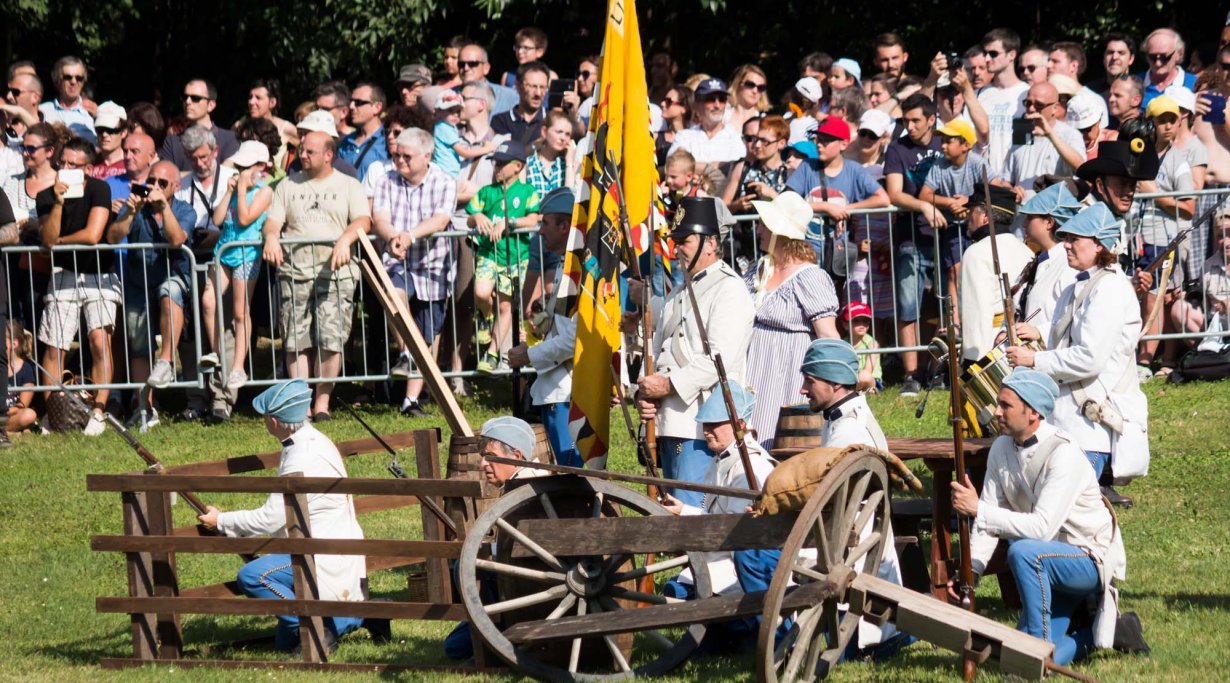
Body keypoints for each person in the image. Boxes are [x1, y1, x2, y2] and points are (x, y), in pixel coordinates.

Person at [951, 368, 1137, 666]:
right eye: (998, 403)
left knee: (1022, 551)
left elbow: (1039, 528)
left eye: (1005, 405)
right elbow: (987, 518)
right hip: (1045, 561)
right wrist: (971, 570)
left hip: (1087, 557)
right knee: (1007, 660)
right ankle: (1104, 633)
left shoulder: (1064, 454)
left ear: (1034, 412)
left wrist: (978, 510)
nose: (996, 412)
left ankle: (1034, 646)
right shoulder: (1000, 447)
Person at [196, 379, 389, 653]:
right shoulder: (313, 440)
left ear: (274, 422)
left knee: (253, 577)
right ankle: (365, 614)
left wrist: (222, 521)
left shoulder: (301, 454)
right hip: (328, 546)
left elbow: (271, 519)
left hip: (321, 552)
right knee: (284, 644)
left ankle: (316, 629)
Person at [1006, 203, 1149, 506]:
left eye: (1075, 240)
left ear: (1099, 245)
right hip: (1066, 418)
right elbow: (1065, 331)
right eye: (1066, 238)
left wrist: (1034, 360)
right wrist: (1034, 333)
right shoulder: (1077, 286)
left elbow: (1089, 358)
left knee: (1066, 509)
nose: (1066, 245)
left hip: (1090, 423)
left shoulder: (1110, 288)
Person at [635, 197, 754, 506]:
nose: (677, 249)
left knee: (693, 518)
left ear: (711, 243)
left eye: (684, 240)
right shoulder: (680, 290)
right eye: (675, 241)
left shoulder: (729, 288)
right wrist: (645, 393)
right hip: (670, 420)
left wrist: (668, 386)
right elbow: (661, 348)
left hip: (701, 425)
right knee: (672, 514)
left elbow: (720, 359)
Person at [796, 337, 908, 655]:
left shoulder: (850, 431)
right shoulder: (840, 420)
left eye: (810, 381)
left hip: (852, 549)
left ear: (834, 382)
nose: (803, 389)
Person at [261, 130, 371, 421]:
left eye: (310, 151)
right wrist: (271, 238)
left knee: (331, 339)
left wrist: (346, 239)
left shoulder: (348, 185)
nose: (303, 155)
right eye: (301, 150)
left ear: (328, 154)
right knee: (296, 341)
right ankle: (301, 403)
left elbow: (363, 219)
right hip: (295, 272)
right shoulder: (287, 185)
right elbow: (273, 222)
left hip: (336, 273)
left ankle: (322, 403)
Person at [370, 128, 457, 417]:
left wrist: (409, 235)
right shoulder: (386, 181)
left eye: (406, 156)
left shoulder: (444, 181)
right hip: (398, 262)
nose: (399, 160)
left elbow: (441, 219)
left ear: (426, 156)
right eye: (396, 154)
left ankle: (411, 401)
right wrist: (394, 236)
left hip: (433, 267)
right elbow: (379, 218)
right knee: (393, 295)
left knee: (427, 338)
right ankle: (406, 353)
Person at [742, 191, 839, 448]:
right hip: (753, 370)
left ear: (779, 232)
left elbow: (828, 335)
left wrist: (837, 383)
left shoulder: (809, 277)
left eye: (764, 224)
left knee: (778, 441)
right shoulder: (758, 269)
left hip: (788, 372)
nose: (759, 229)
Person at [106, 160, 196, 426]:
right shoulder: (135, 208)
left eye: (162, 183)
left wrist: (164, 207)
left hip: (171, 278)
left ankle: (167, 361)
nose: (155, 187)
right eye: (152, 181)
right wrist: (129, 213)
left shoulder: (184, 209)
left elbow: (177, 238)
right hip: (138, 284)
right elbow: (112, 237)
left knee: (170, 291)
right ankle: (145, 407)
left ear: (176, 187)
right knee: (138, 345)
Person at [36, 137, 116, 436]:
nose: (65, 169)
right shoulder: (46, 195)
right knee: (54, 347)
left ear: (89, 168)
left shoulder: (99, 189)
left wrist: (57, 243)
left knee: (99, 341)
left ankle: (98, 411)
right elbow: (46, 239)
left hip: (99, 273)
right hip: (63, 274)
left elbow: (94, 234)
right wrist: (57, 203)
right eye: (62, 163)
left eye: (73, 164)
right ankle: (55, 415)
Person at [507, 188, 580, 466]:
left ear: (564, 226)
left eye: (545, 223)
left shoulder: (578, 269)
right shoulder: (566, 265)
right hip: (557, 387)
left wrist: (528, 356)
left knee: (574, 476)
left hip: (568, 389)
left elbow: (573, 340)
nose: (539, 231)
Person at [884, 94, 945, 396]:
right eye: (905, 120)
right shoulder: (897, 149)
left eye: (915, 120)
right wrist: (923, 206)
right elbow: (894, 194)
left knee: (947, 307)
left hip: (947, 237)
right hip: (910, 237)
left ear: (931, 119)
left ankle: (936, 369)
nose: (909, 126)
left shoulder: (945, 142)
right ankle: (911, 374)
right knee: (909, 308)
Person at [202, 140, 272, 392]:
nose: (241, 171)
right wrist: (230, 191)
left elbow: (244, 219)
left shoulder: (264, 191)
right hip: (225, 251)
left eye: (246, 166)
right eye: (239, 166)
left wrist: (241, 190)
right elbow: (218, 219)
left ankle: (239, 366)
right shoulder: (235, 189)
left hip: (247, 255)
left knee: (241, 313)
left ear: (261, 167)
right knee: (209, 301)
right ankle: (218, 353)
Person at [465, 140, 541, 374]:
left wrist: (510, 222)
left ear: (518, 166)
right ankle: (487, 318)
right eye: (496, 163)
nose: (497, 167)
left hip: (516, 257)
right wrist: (477, 218)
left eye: (502, 163)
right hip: (489, 253)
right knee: (481, 292)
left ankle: (492, 353)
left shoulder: (527, 192)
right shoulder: (487, 192)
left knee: (506, 305)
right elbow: (470, 216)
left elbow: (534, 218)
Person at [1136, 95, 1196, 378]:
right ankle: (1164, 361)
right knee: (1157, 298)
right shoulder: (1143, 156)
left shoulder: (1179, 162)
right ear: (1151, 124)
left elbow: (1189, 207)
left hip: (1168, 239)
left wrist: (1156, 196)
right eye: (1162, 120)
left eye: (1173, 119)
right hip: (1145, 238)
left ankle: (1148, 362)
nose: (1169, 126)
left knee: (1159, 299)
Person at [919, 117, 992, 324]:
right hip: (954, 228)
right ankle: (956, 322)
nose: (942, 145)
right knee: (954, 271)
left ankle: (977, 318)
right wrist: (950, 202)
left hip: (978, 228)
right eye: (942, 140)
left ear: (966, 145)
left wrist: (968, 202)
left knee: (977, 273)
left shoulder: (978, 163)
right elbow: (925, 195)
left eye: (949, 141)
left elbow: (993, 189)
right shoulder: (939, 165)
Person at [957, 187, 1033, 362]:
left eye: (972, 211)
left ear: (985, 217)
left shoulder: (976, 252)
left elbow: (976, 312)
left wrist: (972, 359)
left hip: (988, 347)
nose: (968, 217)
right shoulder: (1025, 249)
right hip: (1019, 345)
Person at [1014, 181, 1083, 339]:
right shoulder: (1037, 261)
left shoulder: (1069, 264)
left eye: (1030, 218)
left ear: (1049, 222)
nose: (1024, 224)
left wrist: (1040, 332)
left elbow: (1074, 315)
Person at [1001, 81, 1087, 202]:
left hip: (1052, 215)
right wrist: (1011, 190)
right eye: (1028, 103)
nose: (1031, 108)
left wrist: (1050, 135)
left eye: (1039, 105)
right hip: (1022, 215)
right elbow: (1006, 180)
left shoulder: (1070, 134)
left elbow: (1080, 166)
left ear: (1055, 108)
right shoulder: (1022, 132)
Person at [977, 29, 1029, 176]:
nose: (987, 59)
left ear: (1012, 55)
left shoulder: (1027, 94)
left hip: (1016, 179)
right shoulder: (979, 95)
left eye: (993, 54)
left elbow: (1025, 144)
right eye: (985, 53)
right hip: (983, 180)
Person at [161, 79, 240, 172]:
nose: (187, 101)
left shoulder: (229, 139)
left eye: (195, 98)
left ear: (211, 105)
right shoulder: (172, 142)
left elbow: (227, 177)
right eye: (184, 97)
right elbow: (166, 178)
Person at [667, 77, 745, 167]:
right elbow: (673, 166)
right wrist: (717, 166)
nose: (717, 105)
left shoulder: (735, 138)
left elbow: (738, 170)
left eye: (722, 99)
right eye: (710, 99)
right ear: (696, 104)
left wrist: (690, 166)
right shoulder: (685, 137)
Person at [723, 114, 789, 213]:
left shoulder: (790, 173)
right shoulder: (743, 168)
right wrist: (736, 206)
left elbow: (795, 212)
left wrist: (773, 195)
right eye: (757, 139)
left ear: (781, 144)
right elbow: (721, 209)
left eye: (764, 141)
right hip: (745, 228)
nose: (757, 145)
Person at [433, 89, 497, 178]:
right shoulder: (444, 128)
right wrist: (487, 149)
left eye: (458, 111)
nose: (455, 114)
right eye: (450, 110)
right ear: (438, 111)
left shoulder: (446, 126)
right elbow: (464, 153)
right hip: (445, 173)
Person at [1049, 41, 1110, 129]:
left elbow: (1099, 136)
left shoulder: (1093, 100)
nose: (1048, 65)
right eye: (1049, 61)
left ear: (1073, 66)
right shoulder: (1047, 97)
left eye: (1055, 61)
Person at [338, 83, 387, 182]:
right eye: (351, 102)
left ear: (377, 107)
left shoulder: (387, 141)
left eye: (358, 102)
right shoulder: (346, 141)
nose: (351, 106)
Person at [39, 56, 95, 144]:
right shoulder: (42, 111)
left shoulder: (92, 113)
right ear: (57, 80)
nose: (73, 82)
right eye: (68, 77)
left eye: (79, 78)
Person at [1139, 29, 1198, 110]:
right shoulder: (1134, 84)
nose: (1158, 63)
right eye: (1152, 57)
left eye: (1165, 57)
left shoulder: (1195, 84)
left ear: (1179, 54)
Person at [492, 62, 549, 145]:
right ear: (518, 86)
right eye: (532, 86)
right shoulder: (501, 121)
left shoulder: (553, 122)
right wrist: (537, 144)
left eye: (542, 87)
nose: (538, 93)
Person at [455, 43, 518, 115]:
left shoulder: (509, 97)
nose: (466, 68)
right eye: (461, 64)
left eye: (472, 64)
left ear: (486, 68)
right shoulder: (447, 95)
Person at [5, 320, 38, 435]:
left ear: (14, 344)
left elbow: (23, 404)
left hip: (11, 415)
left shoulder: (27, 368)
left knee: (29, 414)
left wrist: (5, 411)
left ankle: (9, 430)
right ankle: (14, 432)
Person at [841, 301, 882, 392]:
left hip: (870, 380)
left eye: (865, 321)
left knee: (864, 376)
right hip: (849, 379)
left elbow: (868, 371)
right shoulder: (843, 344)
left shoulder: (872, 344)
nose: (862, 325)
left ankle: (867, 389)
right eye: (856, 321)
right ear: (845, 325)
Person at [1090, 33, 1137, 99]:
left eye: (1121, 53)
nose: (1114, 57)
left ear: (1131, 59)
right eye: (1110, 52)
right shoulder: (1091, 92)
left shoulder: (1140, 89)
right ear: (1104, 58)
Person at [88, 102, 127, 179]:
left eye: (110, 130)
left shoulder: (131, 164)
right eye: (100, 130)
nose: (104, 135)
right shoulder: (88, 163)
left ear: (123, 133)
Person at [727, 64, 771, 130]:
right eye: (750, 84)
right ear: (738, 83)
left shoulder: (765, 122)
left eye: (760, 87)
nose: (755, 91)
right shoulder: (723, 114)